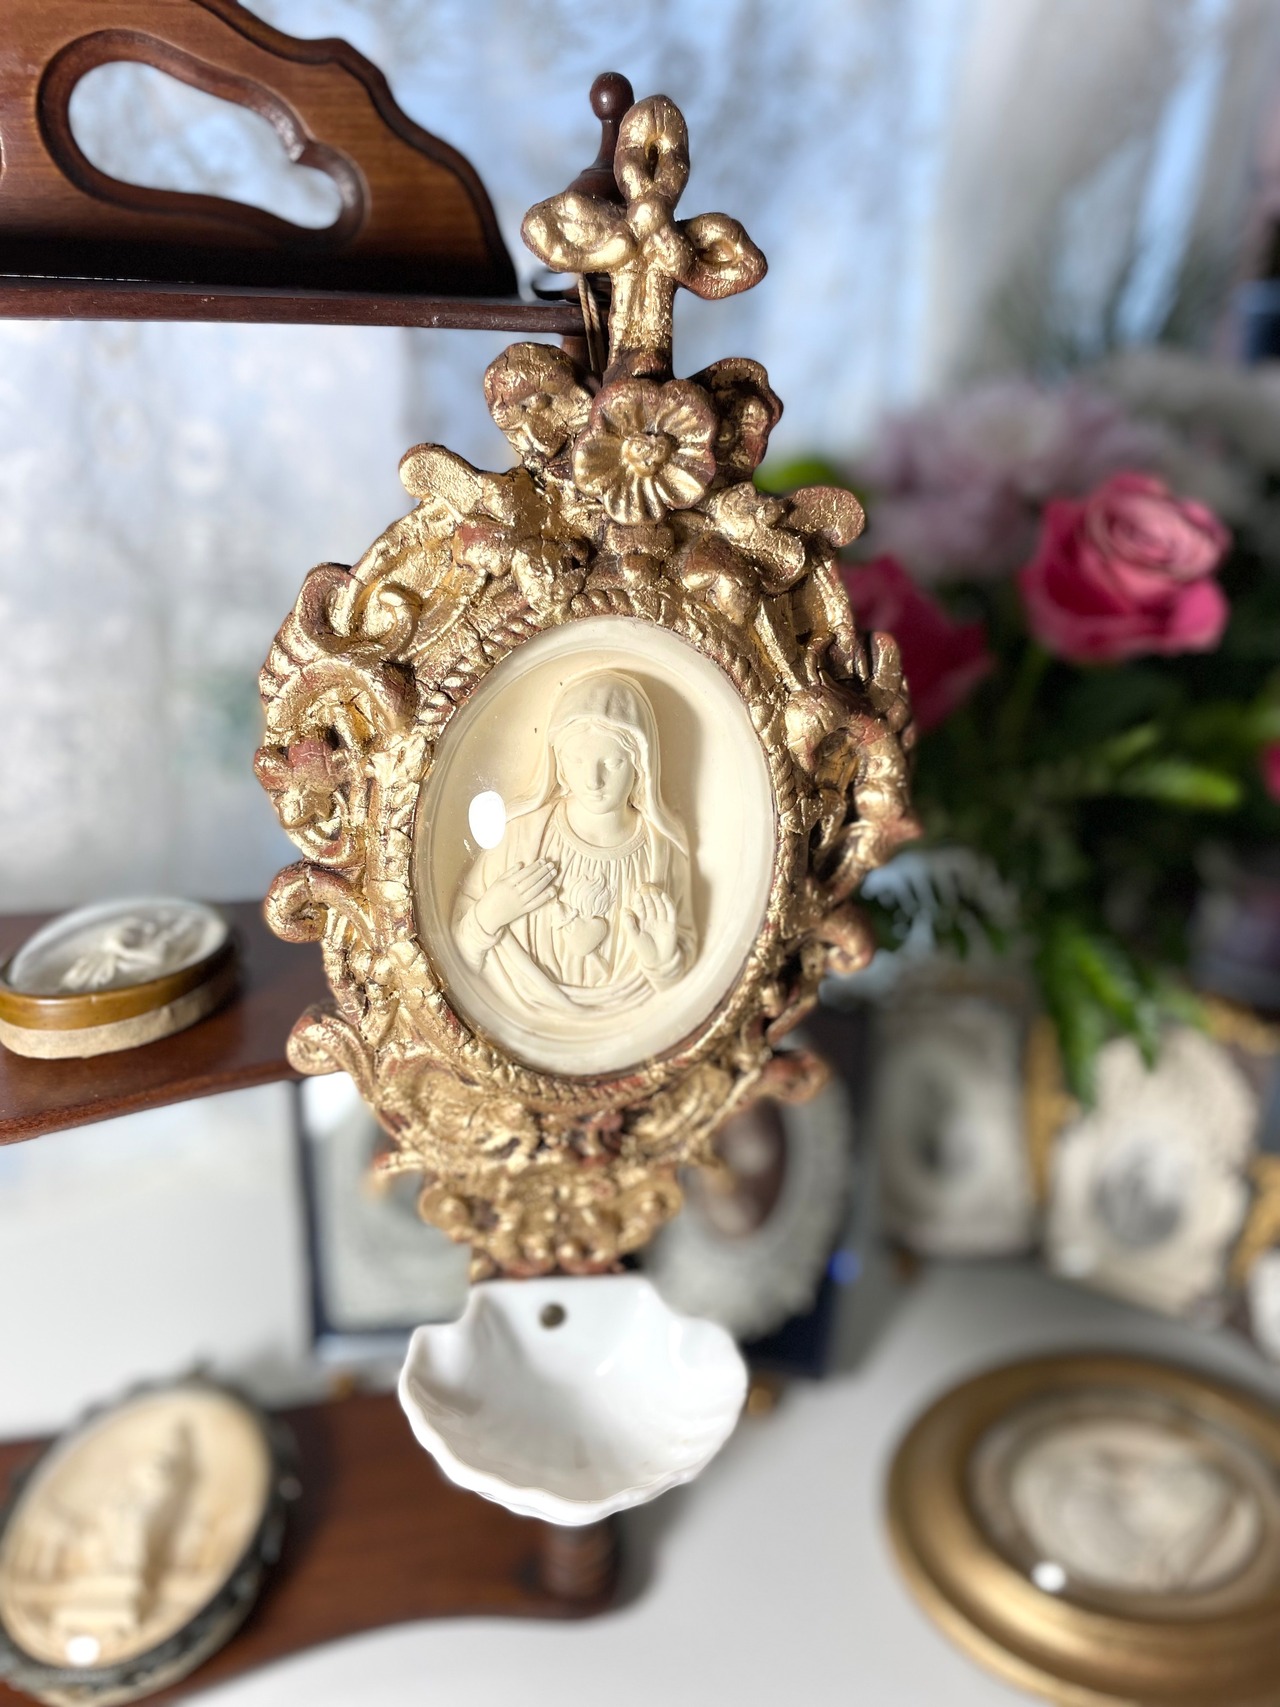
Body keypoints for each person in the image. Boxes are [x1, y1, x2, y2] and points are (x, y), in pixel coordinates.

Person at [452, 670, 696, 1017]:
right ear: (560, 765)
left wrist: (663, 964)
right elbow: (458, 956)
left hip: (628, 1027)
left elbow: (684, 980)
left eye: (612, 762)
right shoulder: (521, 837)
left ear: (639, 765)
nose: (593, 780)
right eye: (577, 760)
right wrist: (487, 917)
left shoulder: (663, 854)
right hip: (521, 1022)